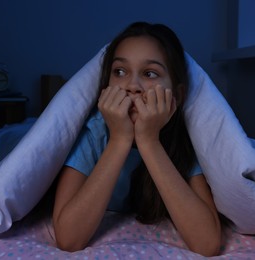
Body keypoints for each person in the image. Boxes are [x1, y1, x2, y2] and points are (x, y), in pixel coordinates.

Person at [52, 22, 221, 256]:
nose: (132, 86)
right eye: (119, 71)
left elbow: (207, 243)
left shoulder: (186, 138)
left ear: (178, 95)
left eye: (150, 73)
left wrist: (149, 141)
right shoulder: (93, 134)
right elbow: (68, 240)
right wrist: (120, 140)